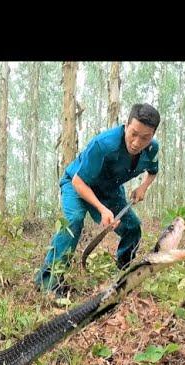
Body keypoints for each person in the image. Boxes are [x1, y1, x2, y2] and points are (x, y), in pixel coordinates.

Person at [35, 103, 161, 296]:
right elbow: (78, 181)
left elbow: (152, 171)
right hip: (76, 183)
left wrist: (143, 187)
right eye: (133, 133)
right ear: (126, 126)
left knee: (132, 227)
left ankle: (122, 274)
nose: (137, 142)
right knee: (73, 221)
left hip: (109, 190)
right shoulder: (104, 145)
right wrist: (102, 210)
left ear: (152, 136)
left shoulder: (151, 149)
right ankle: (48, 282)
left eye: (144, 137)